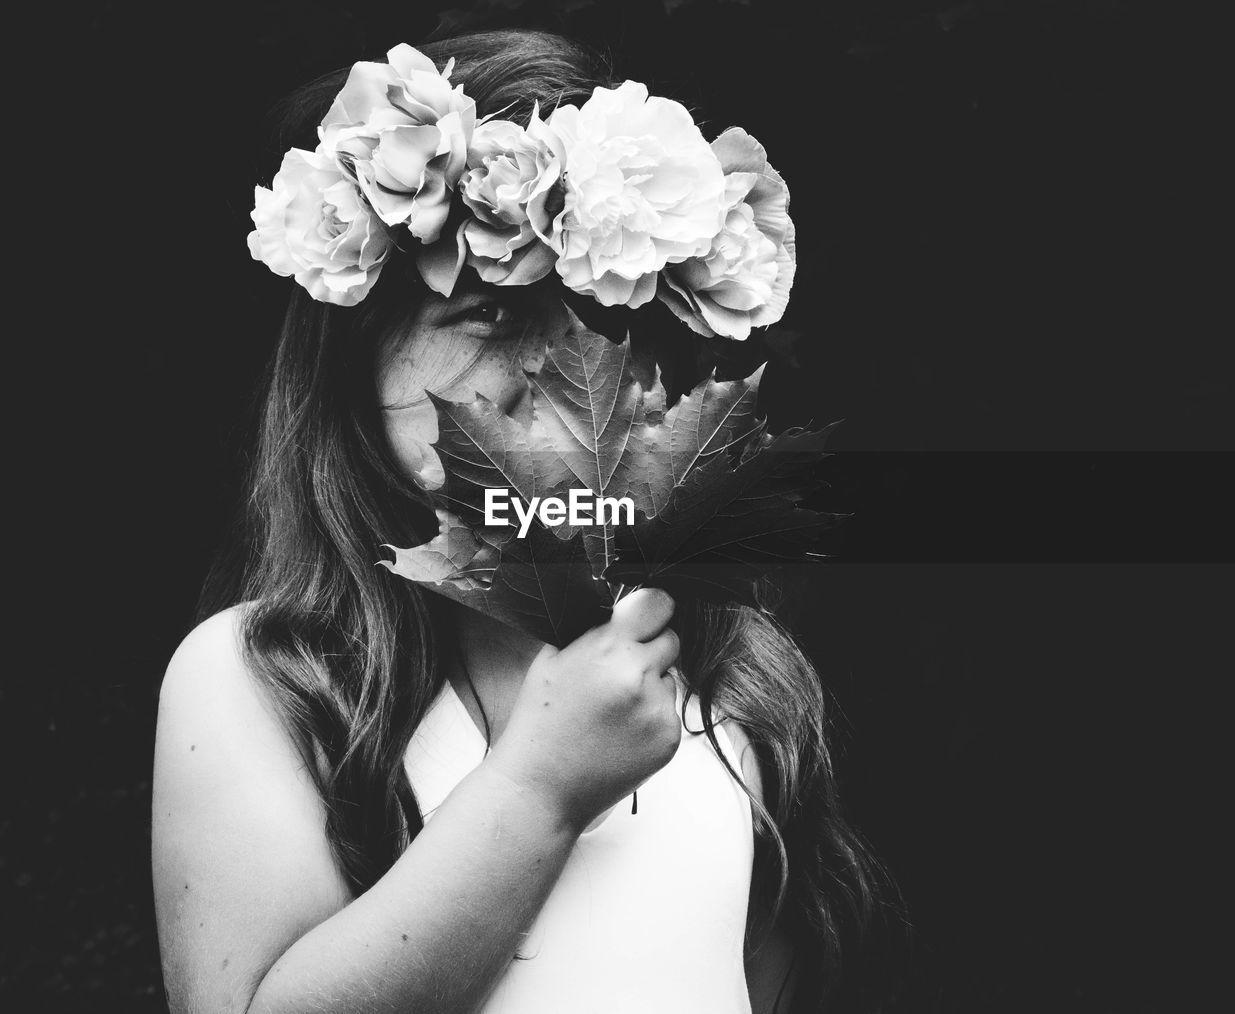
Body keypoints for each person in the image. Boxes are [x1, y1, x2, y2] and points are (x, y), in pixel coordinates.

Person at [152, 29, 889, 1014]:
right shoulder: (264, 676)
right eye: (490, 318)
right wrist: (538, 789)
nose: (559, 369)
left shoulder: (728, 670)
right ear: (354, 364)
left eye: (597, 321)